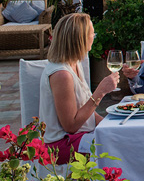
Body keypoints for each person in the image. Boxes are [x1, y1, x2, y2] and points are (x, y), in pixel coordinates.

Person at [40, 12, 119, 164]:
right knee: (118, 148)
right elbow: (71, 126)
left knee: (122, 137)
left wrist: (111, 125)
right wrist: (100, 92)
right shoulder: (61, 74)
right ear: (80, 38)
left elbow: (87, 112)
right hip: (61, 145)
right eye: (92, 33)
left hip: (81, 136)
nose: (94, 37)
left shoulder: (75, 63)